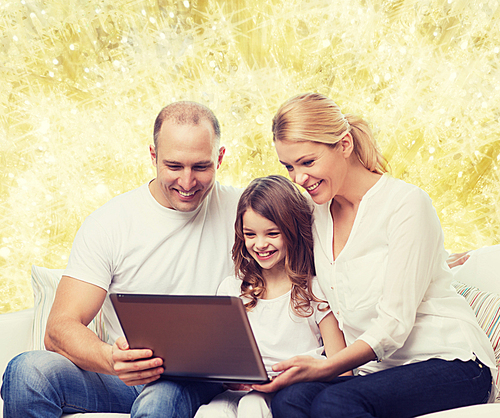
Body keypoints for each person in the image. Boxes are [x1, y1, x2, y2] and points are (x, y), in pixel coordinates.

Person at [251, 92, 498, 418]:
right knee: (290, 399)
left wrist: (324, 368)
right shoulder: (315, 214)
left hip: (451, 363)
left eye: (308, 162)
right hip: (377, 373)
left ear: (344, 145)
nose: (298, 178)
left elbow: (393, 324)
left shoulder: (406, 204)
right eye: (289, 167)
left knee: (335, 402)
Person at [1, 102, 242, 417]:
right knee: (26, 372)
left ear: (219, 158)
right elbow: (59, 327)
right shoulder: (111, 222)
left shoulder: (246, 213)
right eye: (173, 166)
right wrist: (112, 359)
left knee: (160, 399)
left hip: (201, 381)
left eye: (200, 167)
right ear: (153, 156)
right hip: (123, 379)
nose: (187, 182)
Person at [196, 175, 350, 418]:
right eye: (250, 234)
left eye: (272, 233)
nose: (260, 244)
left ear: (292, 231)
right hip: (240, 391)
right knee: (210, 413)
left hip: (287, 392)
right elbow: (222, 359)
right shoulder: (232, 289)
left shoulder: (315, 290)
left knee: (253, 406)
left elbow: (342, 369)